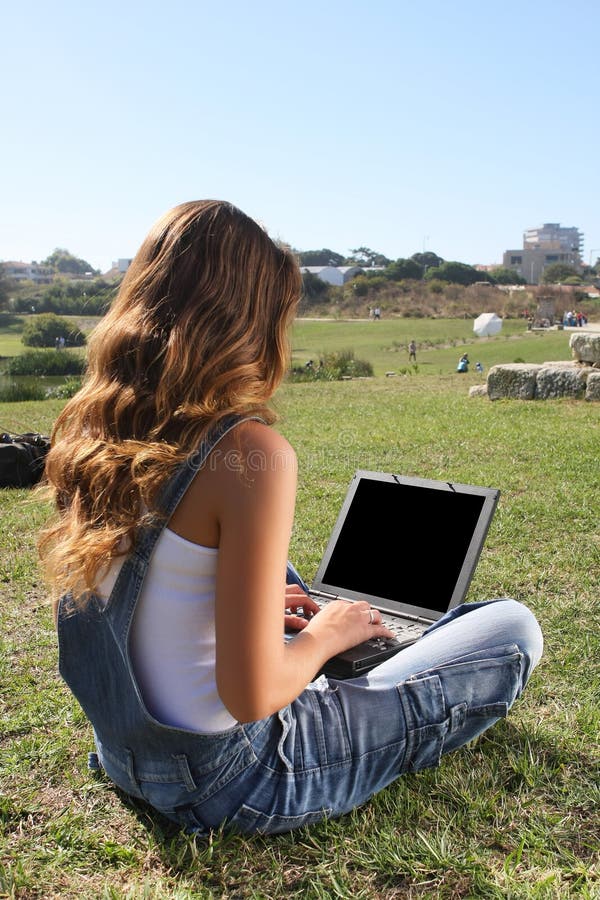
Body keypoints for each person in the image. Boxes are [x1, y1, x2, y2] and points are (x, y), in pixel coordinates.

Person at [39, 200, 543, 837]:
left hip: (127, 757)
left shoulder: (91, 432)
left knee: (289, 577)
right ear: (248, 323)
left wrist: (252, 616)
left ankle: (370, 639)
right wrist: (325, 636)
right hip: (238, 780)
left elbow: (150, 584)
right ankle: (371, 643)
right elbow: (251, 697)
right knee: (510, 626)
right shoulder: (249, 455)